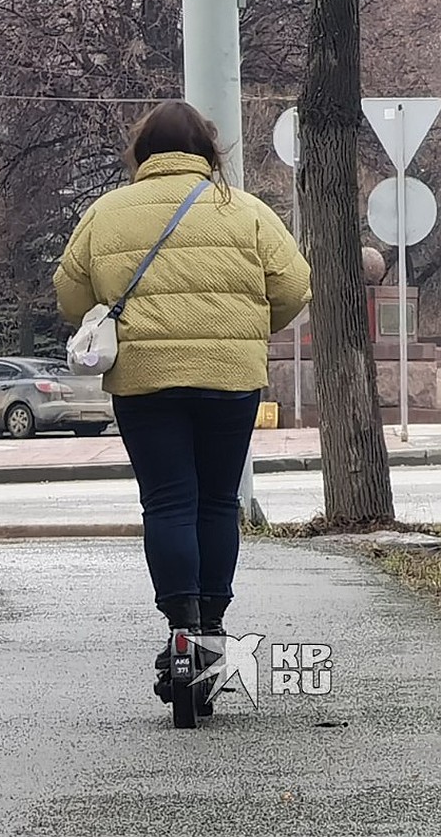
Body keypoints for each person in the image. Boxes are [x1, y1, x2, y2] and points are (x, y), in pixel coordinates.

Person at [53, 100, 311, 700]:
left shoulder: (105, 214)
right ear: (208, 153)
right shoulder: (244, 211)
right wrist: (247, 325)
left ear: (141, 154)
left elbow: (70, 298)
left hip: (144, 380)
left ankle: (180, 630)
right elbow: (296, 286)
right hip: (230, 377)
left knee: (168, 500)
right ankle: (214, 632)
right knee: (218, 501)